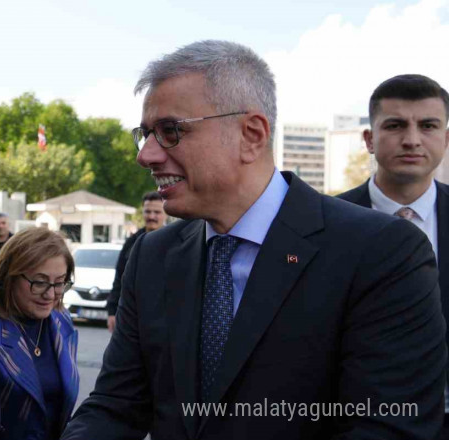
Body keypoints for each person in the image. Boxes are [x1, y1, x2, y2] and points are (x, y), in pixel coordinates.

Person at [62, 40, 446, 440]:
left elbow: (387, 427)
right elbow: (114, 406)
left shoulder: (382, 252)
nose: (147, 156)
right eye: (145, 134)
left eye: (171, 131)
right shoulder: (153, 254)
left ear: (251, 134)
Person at [337, 74, 449, 436]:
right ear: (369, 139)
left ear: (446, 139)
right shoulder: (324, 223)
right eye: (396, 125)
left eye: (428, 126)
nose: (412, 139)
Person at [0, 227, 79, 440]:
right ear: (9, 276)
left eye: (60, 282)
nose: (50, 294)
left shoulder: (62, 322)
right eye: (40, 282)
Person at [106, 191, 165, 332]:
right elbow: (119, 276)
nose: (151, 216)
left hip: (163, 317)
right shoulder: (131, 242)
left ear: (165, 213)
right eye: (148, 211)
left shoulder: (177, 242)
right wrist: (112, 311)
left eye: (157, 212)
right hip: (132, 315)